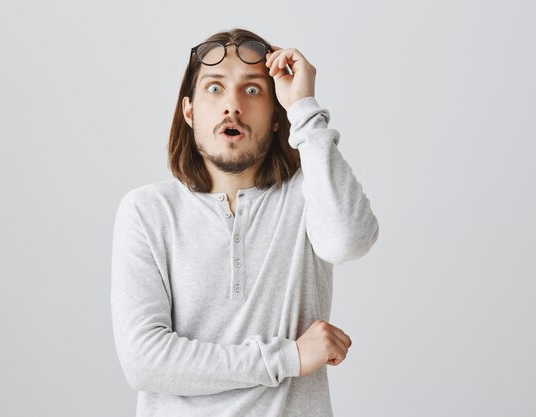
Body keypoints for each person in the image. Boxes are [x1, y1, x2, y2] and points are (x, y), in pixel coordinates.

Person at [111, 27, 380, 417]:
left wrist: (303, 107)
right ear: (189, 111)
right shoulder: (147, 211)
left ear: (276, 117)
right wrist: (288, 357)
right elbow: (146, 361)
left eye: (252, 90)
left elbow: (349, 240)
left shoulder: (309, 195)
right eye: (215, 88)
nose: (232, 106)